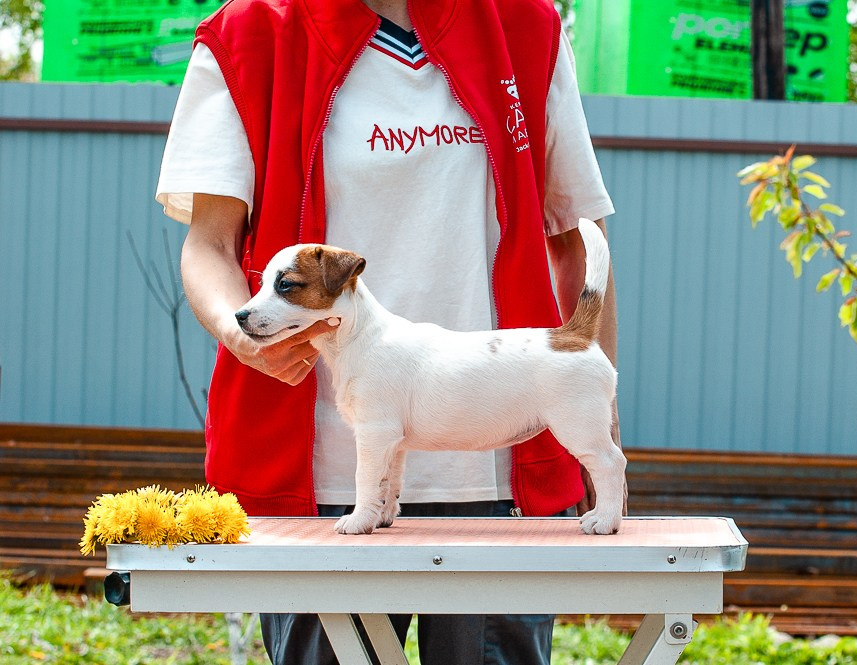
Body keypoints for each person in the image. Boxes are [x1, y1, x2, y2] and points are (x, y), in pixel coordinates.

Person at [156, 0, 621, 662]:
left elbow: (578, 237)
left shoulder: (528, 28)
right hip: (319, 479)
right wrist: (242, 335)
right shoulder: (249, 35)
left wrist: (603, 426)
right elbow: (208, 246)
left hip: (495, 469)